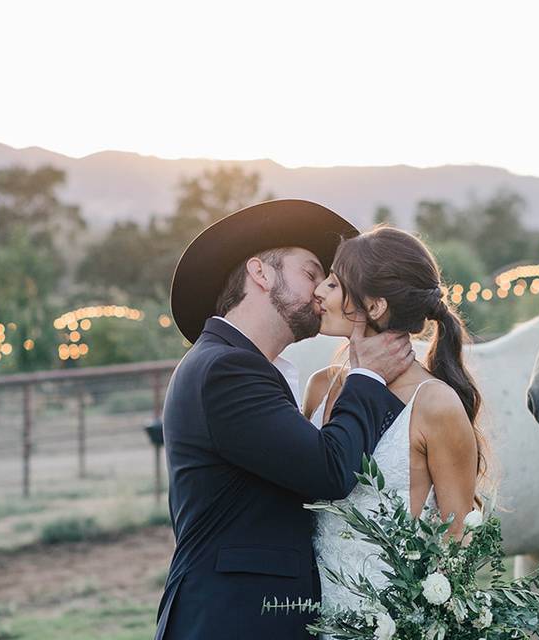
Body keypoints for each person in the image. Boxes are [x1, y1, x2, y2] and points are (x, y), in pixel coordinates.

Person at [155, 200, 416, 640]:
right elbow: (329, 471)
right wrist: (369, 376)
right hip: (231, 620)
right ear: (261, 273)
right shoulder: (227, 370)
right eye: (311, 274)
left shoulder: (244, 366)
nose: (321, 292)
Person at [304, 225, 491, 614]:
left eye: (335, 285)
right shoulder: (320, 388)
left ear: (374, 307)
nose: (319, 290)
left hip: (393, 620)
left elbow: (456, 543)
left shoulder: (436, 404)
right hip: (312, 616)